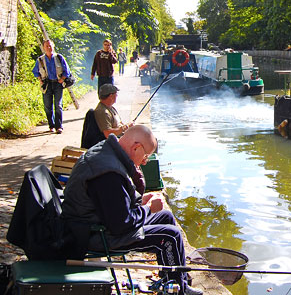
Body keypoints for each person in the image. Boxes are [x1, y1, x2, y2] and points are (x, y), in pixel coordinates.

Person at [61, 126, 203, 295]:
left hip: (99, 222)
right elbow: (121, 224)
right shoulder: (107, 172)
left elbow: (112, 203)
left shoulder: (106, 150)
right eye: (145, 156)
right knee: (170, 236)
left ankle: (177, 281)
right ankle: (176, 290)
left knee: (165, 216)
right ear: (136, 147)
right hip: (93, 234)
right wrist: (148, 209)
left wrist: (140, 202)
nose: (144, 162)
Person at [32, 39, 72, 134]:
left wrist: (62, 79)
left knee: (58, 105)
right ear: (43, 48)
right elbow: (35, 71)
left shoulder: (58, 57)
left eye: (50, 46)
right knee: (47, 106)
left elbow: (67, 70)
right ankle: (51, 125)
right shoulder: (40, 60)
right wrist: (40, 80)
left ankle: (59, 126)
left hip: (58, 83)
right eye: (46, 46)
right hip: (47, 84)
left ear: (53, 46)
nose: (48, 48)